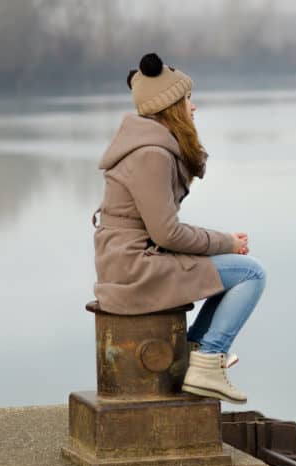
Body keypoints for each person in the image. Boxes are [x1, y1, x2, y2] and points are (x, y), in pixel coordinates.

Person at [91, 53, 266, 404]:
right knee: (250, 274)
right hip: (136, 267)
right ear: (171, 106)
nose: (194, 107)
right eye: (187, 99)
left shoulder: (149, 147)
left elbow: (160, 230)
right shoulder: (151, 154)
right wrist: (225, 243)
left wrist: (222, 244)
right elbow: (166, 233)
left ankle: (194, 357)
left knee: (230, 275)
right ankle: (207, 359)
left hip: (131, 261)